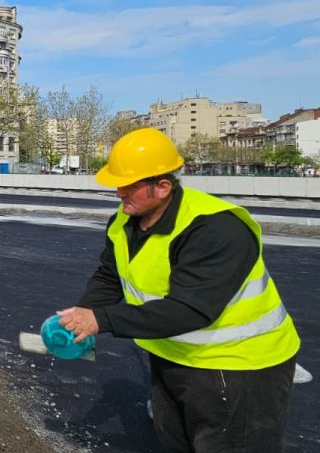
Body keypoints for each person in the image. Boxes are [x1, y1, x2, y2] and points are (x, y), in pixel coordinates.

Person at [58, 127, 299, 452]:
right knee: (175, 442)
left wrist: (101, 320)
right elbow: (109, 276)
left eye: (129, 184)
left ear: (162, 187)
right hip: (173, 355)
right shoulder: (126, 219)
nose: (118, 192)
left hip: (237, 366)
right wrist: (82, 315)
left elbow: (191, 309)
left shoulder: (216, 230)